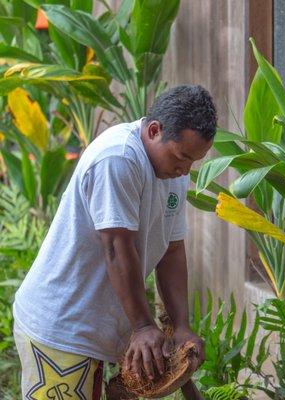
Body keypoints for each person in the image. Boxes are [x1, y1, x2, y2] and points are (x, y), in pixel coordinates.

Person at [13, 84, 217, 400]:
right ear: (154, 130)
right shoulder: (118, 158)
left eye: (194, 160)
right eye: (181, 157)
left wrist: (180, 327)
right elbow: (116, 247)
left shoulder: (174, 169)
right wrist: (144, 327)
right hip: (62, 329)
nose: (185, 170)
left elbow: (172, 249)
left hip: (99, 330)